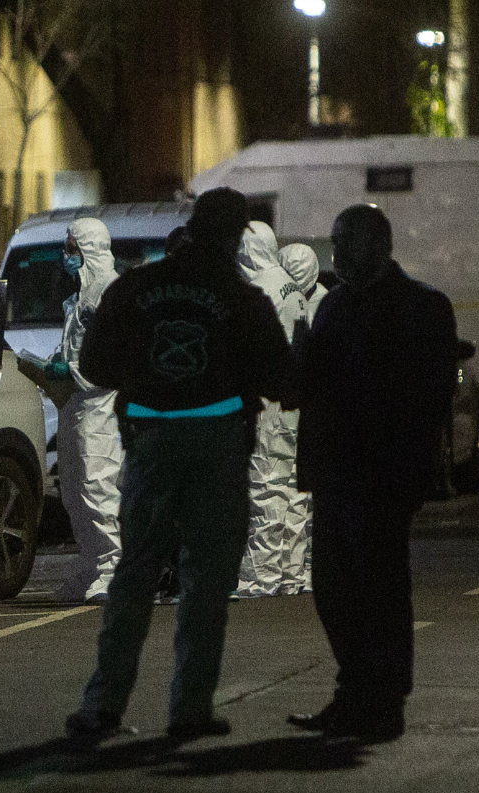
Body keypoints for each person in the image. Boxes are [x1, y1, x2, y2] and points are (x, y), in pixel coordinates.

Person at [64, 188, 292, 741]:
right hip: (219, 445)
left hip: (151, 441)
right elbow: (282, 380)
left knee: (135, 574)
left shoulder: (136, 287)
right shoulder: (243, 299)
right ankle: (189, 708)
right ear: (235, 235)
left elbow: (95, 364)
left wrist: (149, 378)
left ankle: (102, 706)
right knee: (206, 584)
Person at [286, 204, 456, 742]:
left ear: (377, 244)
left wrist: (415, 466)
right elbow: (315, 383)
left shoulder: (421, 306)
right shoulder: (335, 305)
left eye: (345, 242)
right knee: (332, 586)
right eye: (335, 242)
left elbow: (431, 394)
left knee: (379, 586)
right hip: (337, 468)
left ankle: (383, 700)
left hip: (384, 471)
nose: (336, 253)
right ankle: (357, 690)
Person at [50, 218, 124, 604]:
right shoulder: (81, 295)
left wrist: (71, 371)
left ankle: (113, 568)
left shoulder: (108, 292)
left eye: (71, 248)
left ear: (88, 248)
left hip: (100, 407)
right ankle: (93, 565)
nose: (66, 255)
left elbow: (114, 359)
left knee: (98, 486)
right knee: (74, 490)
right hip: (76, 404)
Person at [235, 222, 309, 598]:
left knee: (264, 488)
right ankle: (290, 571)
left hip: (267, 404)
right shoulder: (289, 285)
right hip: (291, 401)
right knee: (289, 489)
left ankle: (259, 577)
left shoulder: (261, 290)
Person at [276, 242, 328, 589]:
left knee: (303, 494)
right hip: (297, 406)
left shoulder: (323, 304)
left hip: (309, 408)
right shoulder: (317, 302)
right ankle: (294, 564)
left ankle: (303, 565)